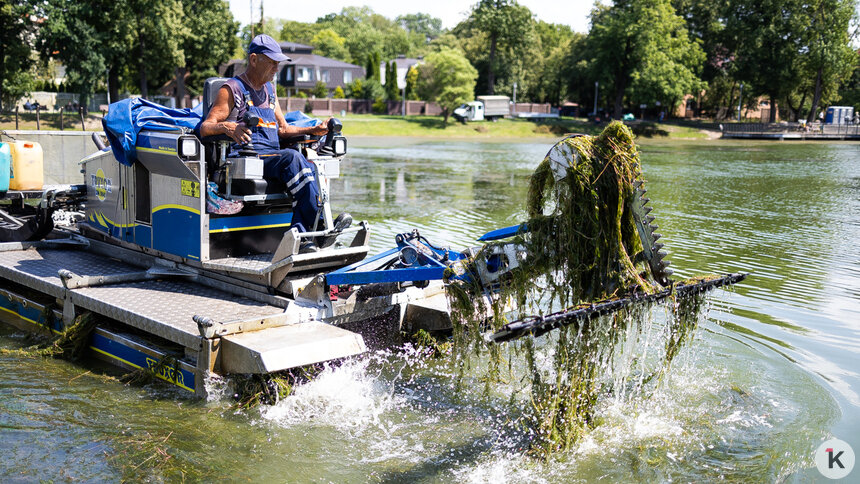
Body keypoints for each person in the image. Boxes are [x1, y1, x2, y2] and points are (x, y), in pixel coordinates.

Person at [200, 34, 349, 253]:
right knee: (293, 158)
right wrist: (228, 127)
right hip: (247, 159)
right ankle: (314, 229)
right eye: (272, 62)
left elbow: (283, 129)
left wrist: (312, 129)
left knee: (311, 166)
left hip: (272, 158)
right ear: (253, 59)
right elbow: (206, 127)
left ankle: (305, 235)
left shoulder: (270, 90)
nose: (276, 68)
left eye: (278, 63)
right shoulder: (231, 89)